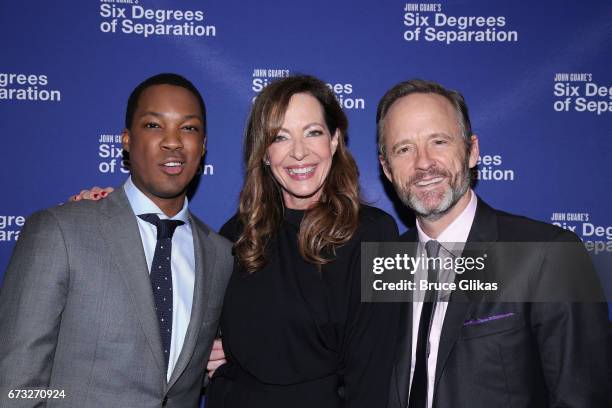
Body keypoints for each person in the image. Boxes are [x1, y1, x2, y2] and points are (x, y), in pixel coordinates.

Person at [0, 73, 233, 407]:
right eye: (154, 125)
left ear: (204, 146)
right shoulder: (60, 231)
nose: (173, 141)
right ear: (126, 140)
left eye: (189, 128)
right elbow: (16, 385)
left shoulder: (222, 256)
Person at [376, 79, 611, 408]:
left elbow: (583, 397)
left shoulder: (546, 255)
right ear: (387, 169)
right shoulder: (385, 265)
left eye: (438, 141)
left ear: (472, 151)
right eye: (403, 149)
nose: (423, 162)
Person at [205, 75, 400, 407]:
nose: (298, 152)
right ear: (264, 153)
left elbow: (373, 377)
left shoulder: (375, 235)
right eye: (280, 137)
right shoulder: (235, 235)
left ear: (335, 141)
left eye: (313, 132)